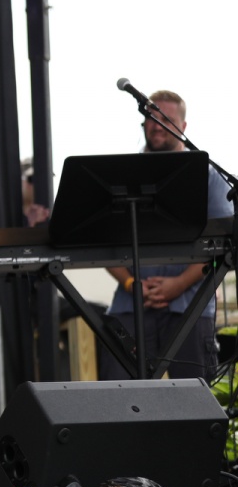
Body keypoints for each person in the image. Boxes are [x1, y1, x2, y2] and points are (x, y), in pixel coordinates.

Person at [99, 90, 234, 381]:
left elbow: (224, 243)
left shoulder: (209, 176)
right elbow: (102, 241)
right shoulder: (120, 175)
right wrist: (131, 284)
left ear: (183, 127)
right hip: (129, 306)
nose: (157, 125)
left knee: (196, 399)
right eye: (151, 118)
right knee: (118, 397)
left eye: (166, 119)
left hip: (192, 307)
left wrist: (179, 284)